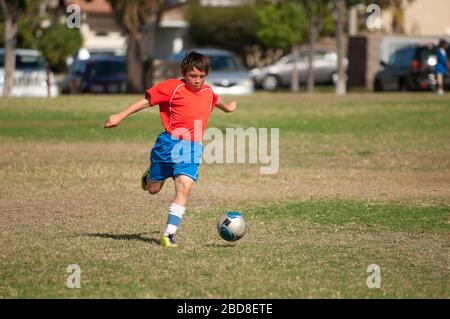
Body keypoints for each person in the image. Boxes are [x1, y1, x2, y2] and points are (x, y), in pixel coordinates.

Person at [104, 51, 237, 247]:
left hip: (191, 149)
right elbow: (146, 101)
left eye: (202, 76)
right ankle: (150, 175)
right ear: (184, 73)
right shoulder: (173, 88)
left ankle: (169, 234)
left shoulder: (208, 92)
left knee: (184, 187)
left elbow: (217, 101)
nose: (198, 80)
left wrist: (229, 108)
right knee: (153, 189)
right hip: (167, 145)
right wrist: (120, 116)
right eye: (193, 76)